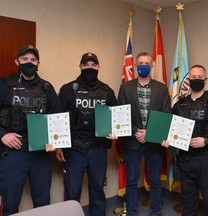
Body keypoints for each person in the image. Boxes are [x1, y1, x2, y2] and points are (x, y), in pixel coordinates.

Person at [54, 52, 117, 216]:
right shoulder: (68, 89)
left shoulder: (107, 91)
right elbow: (58, 118)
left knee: (97, 192)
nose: (90, 68)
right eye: (86, 65)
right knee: (72, 192)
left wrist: (116, 131)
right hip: (75, 150)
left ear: (98, 67)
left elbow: (116, 117)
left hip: (98, 150)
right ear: (80, 66)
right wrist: (59, 146)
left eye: (93, 65)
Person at [162, 65, 208, 216]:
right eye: (193, 77)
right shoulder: (180, 105)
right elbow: (171, 127)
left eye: (200, 77)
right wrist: (167, 139)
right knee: (188, 199)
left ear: (205, 80)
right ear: (188, 79)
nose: (196, 80)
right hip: (186, 158)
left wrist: (206, 140)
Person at [0, 45, 60, 215]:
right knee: (10, 202)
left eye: (33, 60)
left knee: (43, 203)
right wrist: (3, 135)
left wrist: (55, 141)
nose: (29, 62)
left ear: (38, 63)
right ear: (17, 61)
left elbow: (58, 118)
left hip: (40, 153)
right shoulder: (4, 85)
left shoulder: (47, 88)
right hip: (13, 152)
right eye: (25, 59)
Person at [117, 52, 171, 216]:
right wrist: (136, 132)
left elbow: (166, 114)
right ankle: (131, 212)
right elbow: (121, 113)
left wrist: (149, 132)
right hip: (132, 142)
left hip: (154, 141)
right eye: (140, 63)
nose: (143, 66)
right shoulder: (126, 87)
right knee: (131, 181)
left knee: (155, 181)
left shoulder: (161, 88)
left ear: (152, 65)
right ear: (135, 65)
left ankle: (155, 212)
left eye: (147, 63)